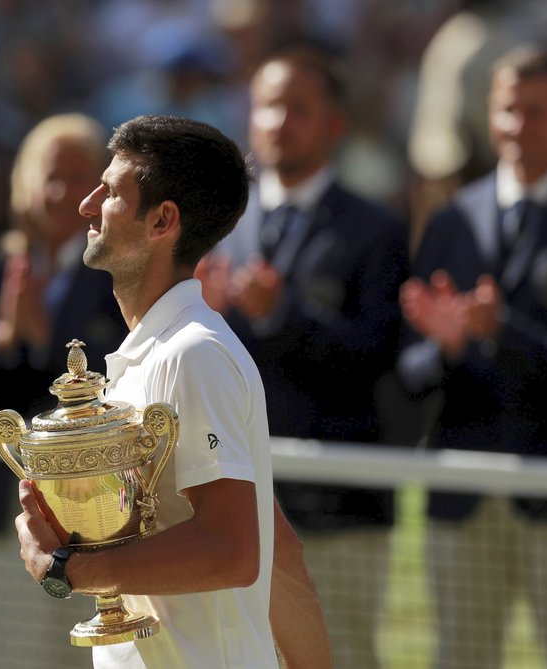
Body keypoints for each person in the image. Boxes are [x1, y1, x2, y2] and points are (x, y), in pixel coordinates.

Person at [13, 114, 331, 669]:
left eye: (109, 192)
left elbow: (235, 550)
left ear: (162, 221)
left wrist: (69, 570)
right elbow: (279, 549)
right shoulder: (160, 353)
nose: (87, 206)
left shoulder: (192, 354)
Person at [196, 46, 409, 669]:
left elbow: (378, 358)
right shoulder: (222, 227)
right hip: (233, 500)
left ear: (335, 124)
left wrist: (277, 315)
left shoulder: (377, 230)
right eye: (267, 106)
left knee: (334, 656)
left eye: (298, 108)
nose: (279, 121)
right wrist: (204, 315)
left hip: (335, 507)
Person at [399, 45, 547, 669]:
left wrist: (501, 331)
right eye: (507, 109)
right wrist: (448, 347)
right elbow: (409, 370)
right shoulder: (453, 218)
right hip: (464, 494)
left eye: (534, 111)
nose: (516, 126)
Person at [0, 112, 126, 669]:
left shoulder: (117, 278)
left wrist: (47, 346)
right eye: (48, 174)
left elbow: (121, 384)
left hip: (91, 522)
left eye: (74, 177)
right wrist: (2, 338)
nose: (57, 192)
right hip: (9, 512)